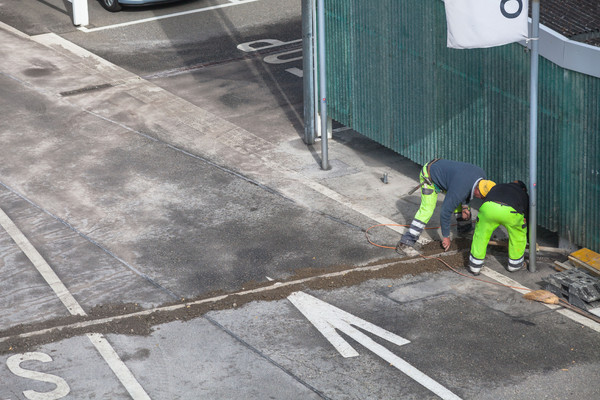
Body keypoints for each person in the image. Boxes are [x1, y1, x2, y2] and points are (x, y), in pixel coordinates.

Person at [399, 159, 495, 251]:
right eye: (481, 196)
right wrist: (446, 236)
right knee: (427, 210)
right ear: (477, 190)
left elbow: (468, 190)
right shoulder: (460, 189)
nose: (480, 198)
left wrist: (465, 206)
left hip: (450, 177)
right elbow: (445, 212)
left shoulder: (482, 177)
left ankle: (465, 229)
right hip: (429, 175)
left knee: (460, 202)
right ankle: (407, 241)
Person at [468, 180, 529, 275]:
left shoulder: (498, 186)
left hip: (488, 208)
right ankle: (515, 265)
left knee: (481, 234)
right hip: (511, 212)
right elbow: (527, 218)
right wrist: (529, 238)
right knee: (518, 235)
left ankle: (475, 265)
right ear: (523, 189)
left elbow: (486, 201)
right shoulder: (523, 193)